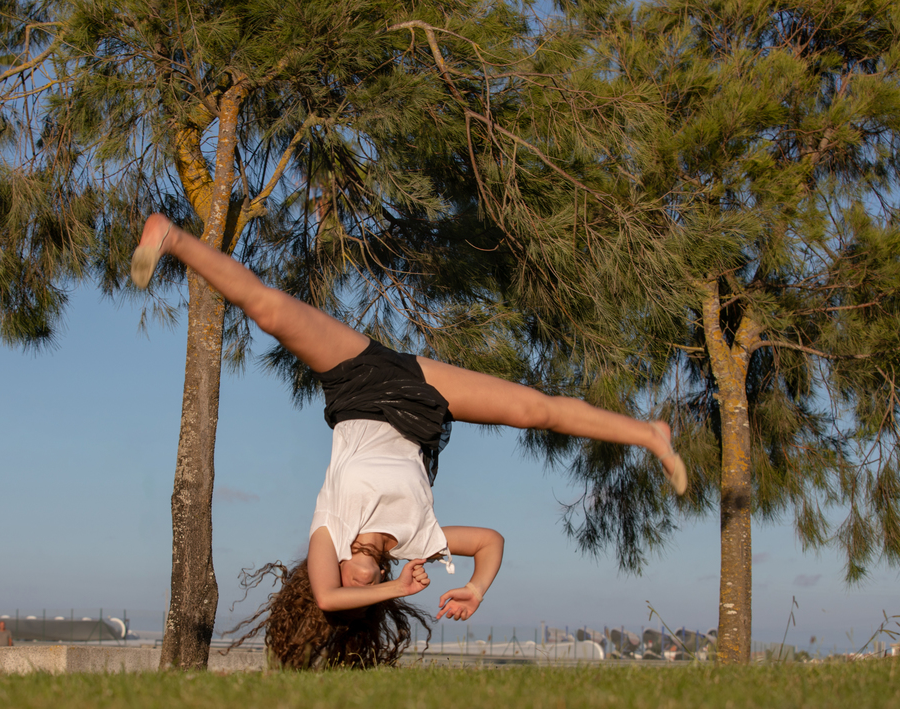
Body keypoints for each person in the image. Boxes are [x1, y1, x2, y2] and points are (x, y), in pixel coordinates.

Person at [130, 214, 687, 668]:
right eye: (363, 594)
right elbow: (490, 542)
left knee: (269, 311)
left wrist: (388, 593)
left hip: (356, 382)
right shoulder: (418, 542)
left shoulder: (329, 531)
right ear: (376, 585)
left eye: (348, 590)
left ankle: (171, 236)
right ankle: (650, 434)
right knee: (533, 411)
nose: (352, 584)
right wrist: (476, 589)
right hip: (420, 400)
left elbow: (326, 597)